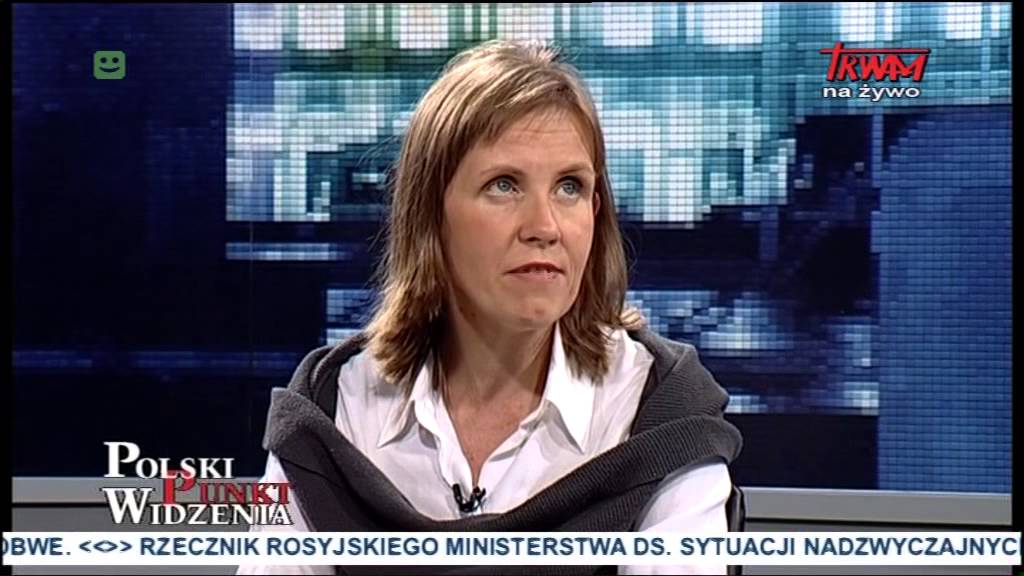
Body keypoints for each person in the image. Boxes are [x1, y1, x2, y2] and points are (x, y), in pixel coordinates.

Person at [239, 39, 742, 576]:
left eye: (569, 187)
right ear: (431, 214)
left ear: (596, 213)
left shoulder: (659, 411)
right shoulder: (336, 406)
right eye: (504, 185)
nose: (545, 227)